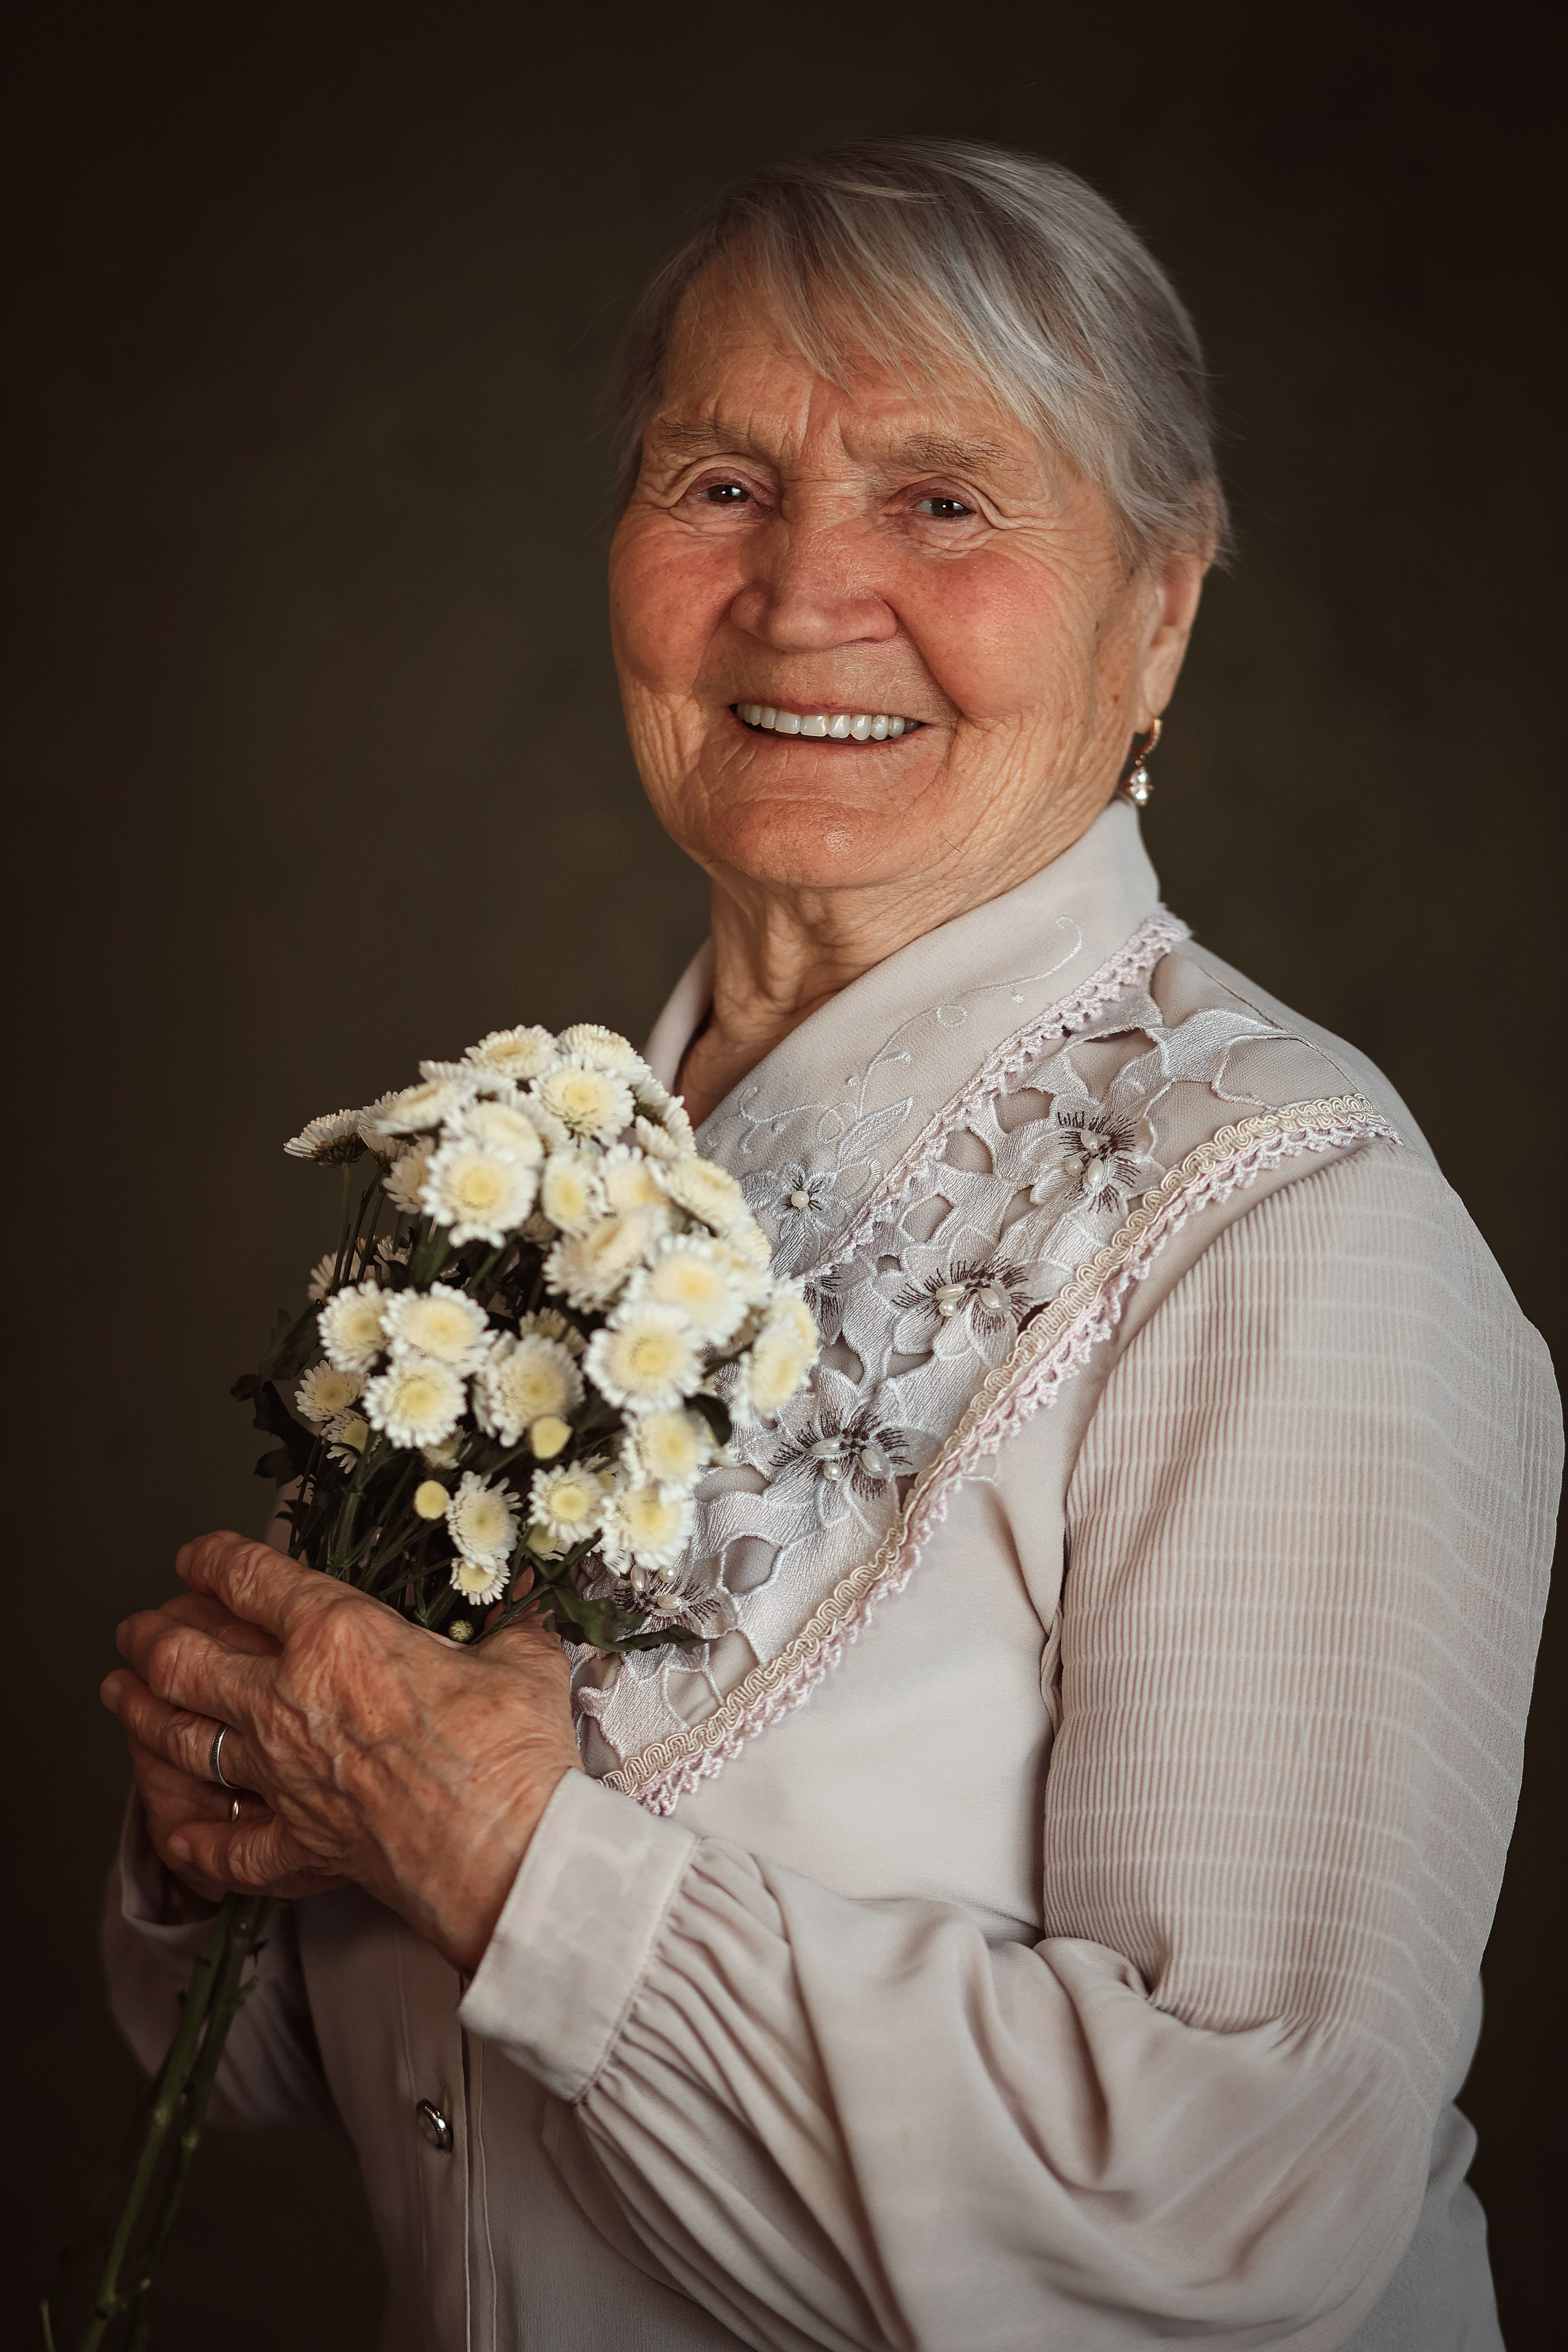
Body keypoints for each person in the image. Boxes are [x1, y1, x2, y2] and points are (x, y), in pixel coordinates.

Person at [100, 137, 1559, 2351]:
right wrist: (253, 1815)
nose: (800, 596)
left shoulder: (1290, 1234)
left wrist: (515, 1860)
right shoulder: (545, 1184)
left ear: (1157, 610)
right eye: (718, 482)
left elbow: (1252, 2214)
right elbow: (363, 2072)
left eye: (943, 499)